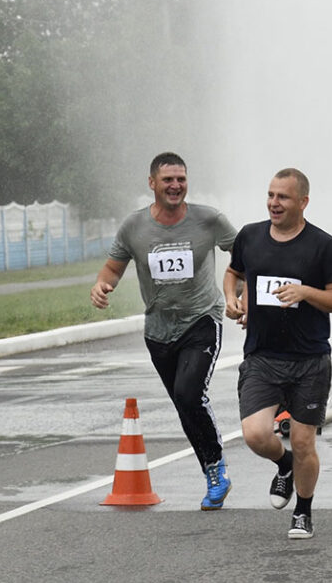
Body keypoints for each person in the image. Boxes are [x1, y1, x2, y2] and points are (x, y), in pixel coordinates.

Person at [90, 152, 238, 510]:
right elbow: (113, 268)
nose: (175, 186)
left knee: (189, 394)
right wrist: (101, 285)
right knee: (183, 405)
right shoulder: (134, 226)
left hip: (201, 320)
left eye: (181, 179)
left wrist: (240, 290)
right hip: (158, 330)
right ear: (152, 183)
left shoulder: (208, 219)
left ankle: (216, 469)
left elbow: (246, 253)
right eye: (168, 179)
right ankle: (211, 469)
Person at [223, 168, 332, 540]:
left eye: (283, 197)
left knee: (303, 439)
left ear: (303, 202)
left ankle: (303, 512)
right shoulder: (250, 236)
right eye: (270, 195)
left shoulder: (324, 246)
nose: (274, 203)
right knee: (255, 434)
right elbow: (234, 273)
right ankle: (285, 465)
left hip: (309, 360)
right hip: (262, 357)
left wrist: (305, 292)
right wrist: (232, 299)